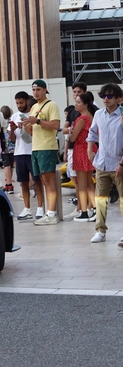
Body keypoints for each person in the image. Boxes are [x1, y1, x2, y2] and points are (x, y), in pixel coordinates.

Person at [87, 83, 123, 246]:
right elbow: (92, 132)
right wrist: (90, 149)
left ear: (119, 99)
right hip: (102, 163)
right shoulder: (99, 114)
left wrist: (122, 163)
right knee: (100, 199)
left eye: (109, 96)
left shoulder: (122, 115)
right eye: (103, 96)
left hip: (119, 163)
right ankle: (100, 230)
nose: (106, 99)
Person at [23, 79, 61, 226]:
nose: (36, 92)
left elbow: (56, 125)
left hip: (47, 146)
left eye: (38, 89)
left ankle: (52, 213)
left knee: (49, 180)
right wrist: (25, 124)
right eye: (33, 90)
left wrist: (38, 121)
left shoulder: (51, 105)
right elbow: (32, 131)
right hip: (36, 147)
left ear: (45, 90)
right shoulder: (33, 107)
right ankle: (48, 212)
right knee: (43, 180)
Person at [9, 91, 44, 220]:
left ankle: (40, 208)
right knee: (23, 182)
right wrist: (13, 129)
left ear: (27, 101)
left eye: (21, 103)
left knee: (37, 180)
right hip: (19, 152)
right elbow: (12, 139)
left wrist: (27, 125)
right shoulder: (14, 116)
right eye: (17, 103)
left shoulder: (34, 114)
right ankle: (27, 208)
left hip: (33, 151)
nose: (19, 105)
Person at [67, 93, 97, 222]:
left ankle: (84, 211)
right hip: (90, 148)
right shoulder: (91, 117)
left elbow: (73, 138)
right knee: (89, 182)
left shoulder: (81, 119)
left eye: (78, 102)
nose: (76, 104)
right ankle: (95, 208)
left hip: (81, 149)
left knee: (82, 184)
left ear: (85, 104)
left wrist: (69, 132)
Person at [62, 82, 89, 219]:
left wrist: (72, 131)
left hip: (85, 148)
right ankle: (82, 207)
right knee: (77, 180)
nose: (76, 95)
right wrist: (66, 151)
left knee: (85, 181)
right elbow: (64, 129)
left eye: (79, 92)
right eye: (74, 92)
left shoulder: (88, 113)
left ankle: (86, 208)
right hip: (75, 149)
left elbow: (72, 135)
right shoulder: (73, 111)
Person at [0, 105, 15, 193]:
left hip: (4, 146)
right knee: (12, 165)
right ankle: (9, 181)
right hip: (13, 146)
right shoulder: (11, 122)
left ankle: (9, 184)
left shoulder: (1, 122)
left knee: (6, 165)